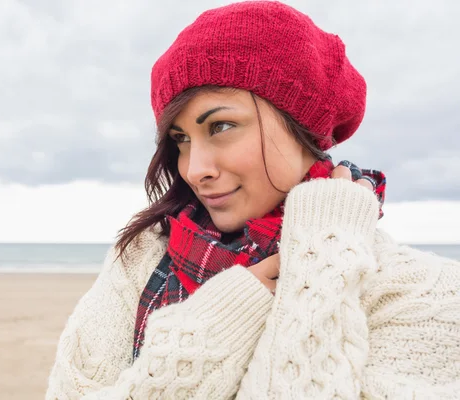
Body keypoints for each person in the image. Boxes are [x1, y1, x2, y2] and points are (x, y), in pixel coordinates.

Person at [45, 1, 460, 399]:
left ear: (303, 127)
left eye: (221, 125)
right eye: (181, 139)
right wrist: (222, 319)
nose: (193, 169)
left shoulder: (424, 294)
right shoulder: (142, 258)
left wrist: (323, 253)